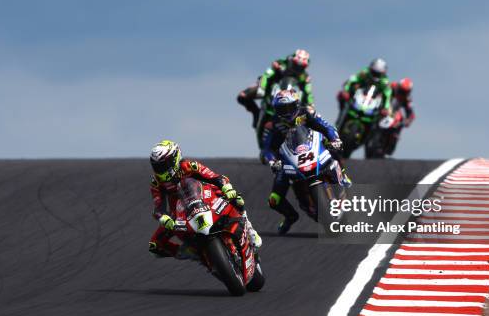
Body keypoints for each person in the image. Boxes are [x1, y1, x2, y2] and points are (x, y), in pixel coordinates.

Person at [147, 140, 262, 258]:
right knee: (155, 245)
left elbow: (215, 177)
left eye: (163, 165)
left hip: (204, 198)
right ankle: (190, 252)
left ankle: (250, 229)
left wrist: (227, 188)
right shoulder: (156, 183)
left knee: (236, 199)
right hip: (180, 212)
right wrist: (164, 218)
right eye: (157, 167)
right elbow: (158, 208)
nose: (160, 170)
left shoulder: (189, 166)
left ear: (175, 158)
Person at [261, 90, 350, 234]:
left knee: (335, 150)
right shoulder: (273, 124)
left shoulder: (307, 112)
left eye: (289, 107)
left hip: (313, 149)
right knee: (274, 200)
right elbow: (266, 149)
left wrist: (334, 139)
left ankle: (343, 176)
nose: (286, 112)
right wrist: (272, 161)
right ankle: (290, 216)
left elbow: (325, 126)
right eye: (281, 109)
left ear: (296, 104)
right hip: (288, 161)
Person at [237, 49, 314, 147]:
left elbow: (308, 92)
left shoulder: (305, 76)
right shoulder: (281, 64)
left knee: (307, 115)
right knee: (242, 96)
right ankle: (256, 113)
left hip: (291, 95)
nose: (297, 68)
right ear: (291, 60)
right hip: (272, 89)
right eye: (295, 65)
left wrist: (310, 104)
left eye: (301, 67)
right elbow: (267, 75)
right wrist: (262, 87)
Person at [386, 77, 415, 155]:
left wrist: (408, 120)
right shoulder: (391, 86)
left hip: (393, 112)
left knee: (399, 120)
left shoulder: (407, 98)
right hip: (383, 108)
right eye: (401, 90)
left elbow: (411, 112)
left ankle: (392, 141)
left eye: (405, 91)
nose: (402, 92)